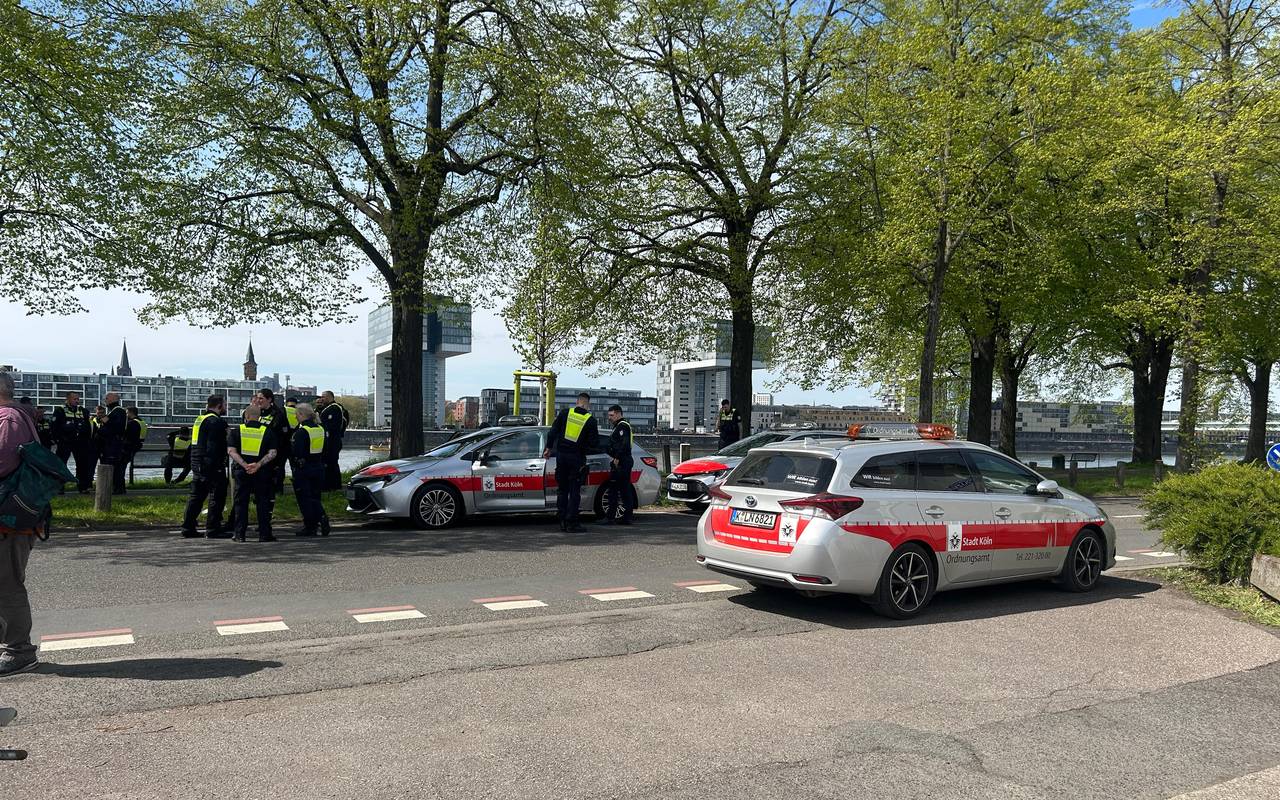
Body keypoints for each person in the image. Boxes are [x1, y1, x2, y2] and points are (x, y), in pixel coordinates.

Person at [0, 372, 39, 677]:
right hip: (11, 515)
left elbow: (4, 462)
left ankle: (19, 651)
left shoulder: (9, 419)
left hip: (9, 518)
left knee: (6, 583)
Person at [543, 392, 599, 533]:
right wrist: (583, 448)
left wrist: (548, 448)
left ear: (577, 402)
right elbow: (594, 444)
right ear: (588, 404)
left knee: (562, 490)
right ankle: (572, 522)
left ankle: (562, 520)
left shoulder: (565, 413)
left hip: (561, 457)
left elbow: (552, 432)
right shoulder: (590, 420)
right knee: (574, 491)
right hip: (577, 459)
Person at [180, 395, 230, 539]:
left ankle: (188, 527)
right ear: (219, 405)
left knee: (196, 496)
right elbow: (216, 446)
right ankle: (213, 529)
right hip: (211, 463)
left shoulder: (200, 419)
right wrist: (220, 462)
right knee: (217, 496)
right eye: (225, 405)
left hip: (197, 462)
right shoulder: (216, 422)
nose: (226, 407)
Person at [228, 404, 278, 543]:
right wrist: (258, 464)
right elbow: (273, 453)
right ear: (259, 417)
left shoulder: (237, 431)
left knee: (240, 502)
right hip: (261, 472)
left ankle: (239, 534)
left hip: (241, 471)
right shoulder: (268, 431)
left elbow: (231, 451)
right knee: (263, 502)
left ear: (246, 415)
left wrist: (245, 465)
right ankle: (264, 534)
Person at [289, 403, 330, 537]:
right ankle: (320, 518)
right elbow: (326, 449)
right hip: (318, 467)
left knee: (305, 498)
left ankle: (311, 525)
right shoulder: (321, 429)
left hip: (304, 469)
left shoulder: (301, 432)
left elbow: (296, 452)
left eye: (296, 414)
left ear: (301, 415)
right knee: (315, 496)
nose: (295, 417)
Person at [52, 391, 93, 492]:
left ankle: (83, 487)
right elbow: (54, 427)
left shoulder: (83, 411)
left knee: (82, 464)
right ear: (68, 399)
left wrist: (87, 440)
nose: (77, 401)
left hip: (80, 442)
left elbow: (88, 427)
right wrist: (58, 439)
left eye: (78, 399)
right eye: (74, 399)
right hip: (65, 442)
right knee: (61, 464)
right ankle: (59, 487)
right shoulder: (60, 410)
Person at [604, 405, 635, 525]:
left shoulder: (623, 426)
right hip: (622, 461)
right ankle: (624, 517)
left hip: (622, 462)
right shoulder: (618, 426)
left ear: (618, 414)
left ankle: (614, 517)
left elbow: (624, 444)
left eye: (611, 415)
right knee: (621, 489)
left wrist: (617, 458)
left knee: (618, 490)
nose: (609, 418)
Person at [255, 389, 290, 496]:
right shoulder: (256, 412)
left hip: (275, 450)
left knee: (275, 473)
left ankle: (277, 491)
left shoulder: (278, 414)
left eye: (261, 398)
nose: (258, 401)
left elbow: (284, 435)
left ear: (269, 399)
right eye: (257, 398)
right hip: (259, 450)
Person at [316, 391, 349, 491]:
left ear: (329, 397)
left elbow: (331, 426)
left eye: (323, 397)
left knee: (331, 463)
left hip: (332, 440)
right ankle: (329, 485)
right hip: (330, 440)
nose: (321, 399)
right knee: (328, 462)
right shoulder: (327, 408)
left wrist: (321, 424)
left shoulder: (334, 408)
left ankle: (333, 486)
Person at [97, 393, 128, 495]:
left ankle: (117, 488)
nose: (105, 400)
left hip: (113, 445)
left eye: (107, 398)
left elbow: (116, 427)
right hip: (112, 444)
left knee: (114, 466)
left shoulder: (118, 411)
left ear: (113, 399)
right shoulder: (115, 411)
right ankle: (117, 487)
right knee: (115, 466)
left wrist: (106, 420)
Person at [124, 407, 148, 484]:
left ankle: (120, 484)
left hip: (130, 446)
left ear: (131, 413)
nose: (126, 415)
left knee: (121, 465)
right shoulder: (142, 422)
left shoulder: (132, 423)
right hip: (138, 444)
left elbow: (127, 435)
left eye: (127, 413)